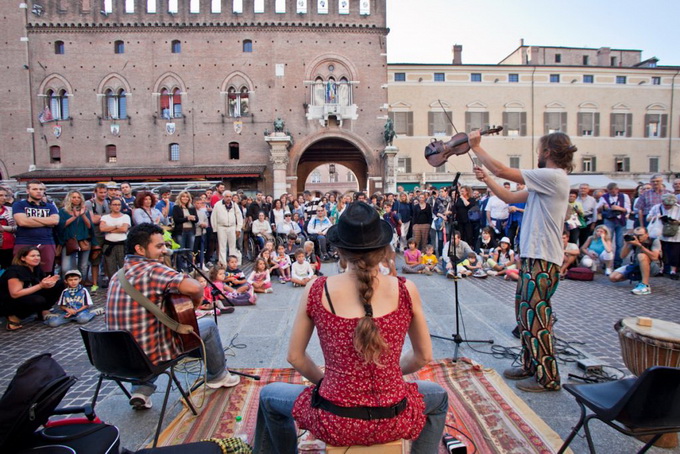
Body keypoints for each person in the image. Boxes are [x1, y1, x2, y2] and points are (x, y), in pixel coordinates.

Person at [253, 202, 448, 453]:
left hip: (335, 419)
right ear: (382, 249)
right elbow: (423, 356)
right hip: (394, 417)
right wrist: (388, 374)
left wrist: (327, 382)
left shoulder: (316, 289)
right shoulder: (405, 289)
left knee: (269, 396)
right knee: (438, 396)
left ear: (340, 251)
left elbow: (295, 357)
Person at [471, 130, 575, 392]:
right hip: (533, 256)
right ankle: (531, 366)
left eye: (540, 150)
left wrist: (477, 147)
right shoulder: (546, 182)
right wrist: (487, 180)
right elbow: (508, 197)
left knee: (537, 317)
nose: (538, 154)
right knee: (525, 314)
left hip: (543, 258)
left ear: (548, 152)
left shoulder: (553, 176)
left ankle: (548, 378)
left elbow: (503, 170)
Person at [106, 223, 240, 410]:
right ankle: (218, 376)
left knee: (143, 334)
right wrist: (195, 303)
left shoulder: (117, 275)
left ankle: (141, 389)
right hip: (149, 355)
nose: (164, 250)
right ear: (140, 249)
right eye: (159, 246)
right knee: (208, 325)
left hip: (118, 357)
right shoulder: (152, 269)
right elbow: (196, 287)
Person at [0, 246, 63, 331]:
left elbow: (38, 284)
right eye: (32, 256)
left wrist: (49, 282)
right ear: (23, 258)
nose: (36, 258)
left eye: (38, 255)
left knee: (58, 284)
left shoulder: (35, 268)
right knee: (38, 300)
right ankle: (13, 317)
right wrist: (41, 286)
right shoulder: (15, 271)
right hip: (7, 301)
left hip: (25, 295)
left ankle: (43, 311)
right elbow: (15, 294)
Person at [12, 180, 59, 273]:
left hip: (46, 242)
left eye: (41, 189)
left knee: (46, 272)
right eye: (35, 189)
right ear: (27, 191)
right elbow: (22, 222)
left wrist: (31, 218)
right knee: (21, 271)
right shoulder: (19, 205)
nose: (39, 191)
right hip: (24, 241)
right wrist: (46, 221)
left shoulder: (50, 207)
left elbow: (55, 221)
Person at [609, 226, 662, 295]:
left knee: (641, 255)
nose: (638, 237)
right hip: (637, 265)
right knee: (613, 277)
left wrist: (640, 245)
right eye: (636, 235)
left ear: (647, 234)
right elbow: (622, 256)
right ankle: (638, 277)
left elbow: (655, 257)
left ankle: (645, 285)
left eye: (640, 235)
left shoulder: (654, 241)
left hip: (653, 266)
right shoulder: (634, 241)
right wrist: (626, 244)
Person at [56, 190, 96, 280]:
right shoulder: (63, 211)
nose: (76, 199)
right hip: (69, 241)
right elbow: (61, 225)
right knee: (66, 267)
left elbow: (89, 226)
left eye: (78, 197)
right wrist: (74, 217)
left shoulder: (85, 211)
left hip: (83, 240)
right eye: (74, 197)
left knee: (83, 266)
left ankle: (81, 285)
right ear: (69, 198)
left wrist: (82, 215)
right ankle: (66, 286)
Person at [646, 193, 680, 279]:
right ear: (662, 202)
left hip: (675, 235)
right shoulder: (656, 207)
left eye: (669, 205)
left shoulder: (678, 208)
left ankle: (673, 271)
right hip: (660, 234)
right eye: (665, 205)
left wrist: (675, 222)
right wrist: (657, 217)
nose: (667, 207)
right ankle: (661, 269)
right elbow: (648, 218)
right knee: (661, 253)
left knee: (674, 254)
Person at [596, 182, 630, 269]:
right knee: (607, 241)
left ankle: (618, 262)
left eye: (614, 191)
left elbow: (628, 209)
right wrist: (604, 206)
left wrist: (619, 208)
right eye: (610, 191)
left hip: (620, 220)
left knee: (620, 243)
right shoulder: (604, 197)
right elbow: (598, 209)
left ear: (617, 190)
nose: (612, 192)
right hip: (609, 219)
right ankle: (606, 261)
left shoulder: (624, 196)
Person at [85, 183, 111, 291]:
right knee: (95, 259)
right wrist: (106, 217)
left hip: (107, 234)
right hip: (95, 235)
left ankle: (106, 279)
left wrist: (99, 217)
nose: (103, 194)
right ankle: (94, 283)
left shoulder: (108, 202)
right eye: (101, 192)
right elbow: (93, 220)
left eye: (105, 192)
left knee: (108, 259)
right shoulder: (89, 203)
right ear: (95, 192)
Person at [99, 198, 131, 278]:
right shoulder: (105, 217)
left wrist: (109, 228)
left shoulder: (125, 216)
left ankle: (124, 286)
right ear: (110, 206)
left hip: (122, 244)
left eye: (119, 204)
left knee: (123, 266)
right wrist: (116, 226)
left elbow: (124, 229)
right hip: (109, 244)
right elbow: (102, 229)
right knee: (110, 267)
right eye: (115, 204)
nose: (117, 206)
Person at [210, 190, 243, 266]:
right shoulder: (217, 205)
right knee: (222, 246)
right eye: (227, 196)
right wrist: (215, 229)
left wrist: (238, 228)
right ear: (223, 197)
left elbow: (239, 217)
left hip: (232, 227)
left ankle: (232, 262)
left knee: (232, 246)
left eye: (230, 196)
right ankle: (223, 263)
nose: (228, 198)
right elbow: (213, 217)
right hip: (221, 227)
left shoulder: (234, 205)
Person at [171, 191, 198, 271]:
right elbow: (176, 219)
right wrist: (187, 218)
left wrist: (193, 219)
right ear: (180, 198)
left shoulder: (191, 208)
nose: (185, 198)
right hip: (181, 231)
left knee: (190, 251)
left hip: (190, 231)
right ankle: (180, 268)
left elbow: (196, 219)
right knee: (181, 251)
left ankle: (190, 268)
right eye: (183, 196)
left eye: (187, 197)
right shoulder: (176, 207)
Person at [0, 187, 17, 269]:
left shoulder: (10, 210)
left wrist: (3, 228)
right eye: (0, 195)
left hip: (9, 246)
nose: (4, 198)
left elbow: (16, 227)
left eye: (5, 195)